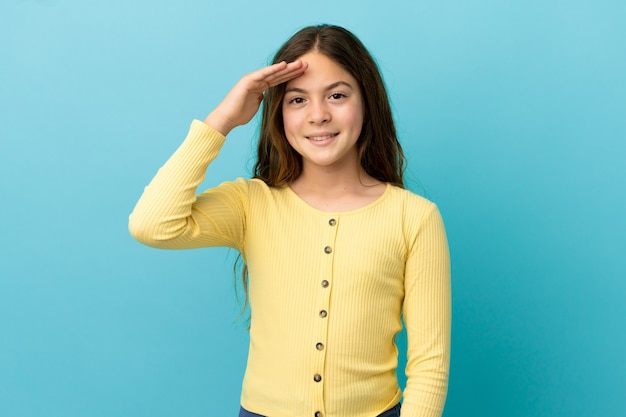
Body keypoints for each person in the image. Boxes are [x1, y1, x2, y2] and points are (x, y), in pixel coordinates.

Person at [129, 24, 451, 417]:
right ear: (278, 113)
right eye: (297, 100)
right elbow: (152, 224)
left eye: (336, 95)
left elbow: (429, 366)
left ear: (366, 103)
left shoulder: (414, 218)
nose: (318, 115)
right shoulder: (251, 204)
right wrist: (223, 120)